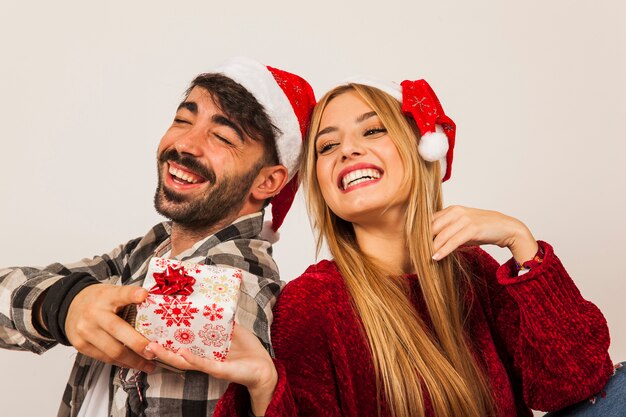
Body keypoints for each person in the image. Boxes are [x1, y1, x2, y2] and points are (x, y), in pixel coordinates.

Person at [147, 76, 624, 417]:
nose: (348, 150)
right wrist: (265, 386)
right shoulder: (316, 303)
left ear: (420, 150)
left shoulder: (472, 270)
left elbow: (578, 384)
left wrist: (522, 243)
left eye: (372, 131)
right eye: (327, 146)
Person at [0, 56, 315, 417]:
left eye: (223, 137)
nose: (186, 144)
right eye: (183, 120)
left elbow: (206, 307)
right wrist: (63, 305)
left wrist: (67, 305)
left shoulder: (235, 279)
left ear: (267, 181)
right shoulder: (148, 251)